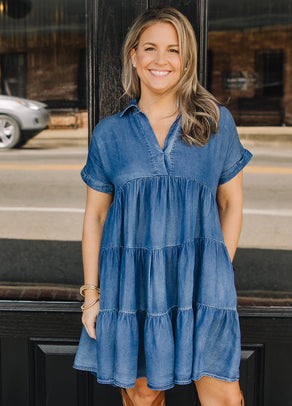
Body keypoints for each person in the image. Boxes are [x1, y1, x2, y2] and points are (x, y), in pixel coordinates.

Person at [73, 6, 252, 406]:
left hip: (203, 284)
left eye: (173, 50)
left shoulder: (216, 124)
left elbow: (232, 204)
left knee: (222, 392)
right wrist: (92, 296)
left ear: (186, 59)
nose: (161, 60)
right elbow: (95, 217)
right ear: (133, 56)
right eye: (150, 48)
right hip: (132, 286)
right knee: (141, 394)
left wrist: (217, 272)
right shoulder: (110, 134)